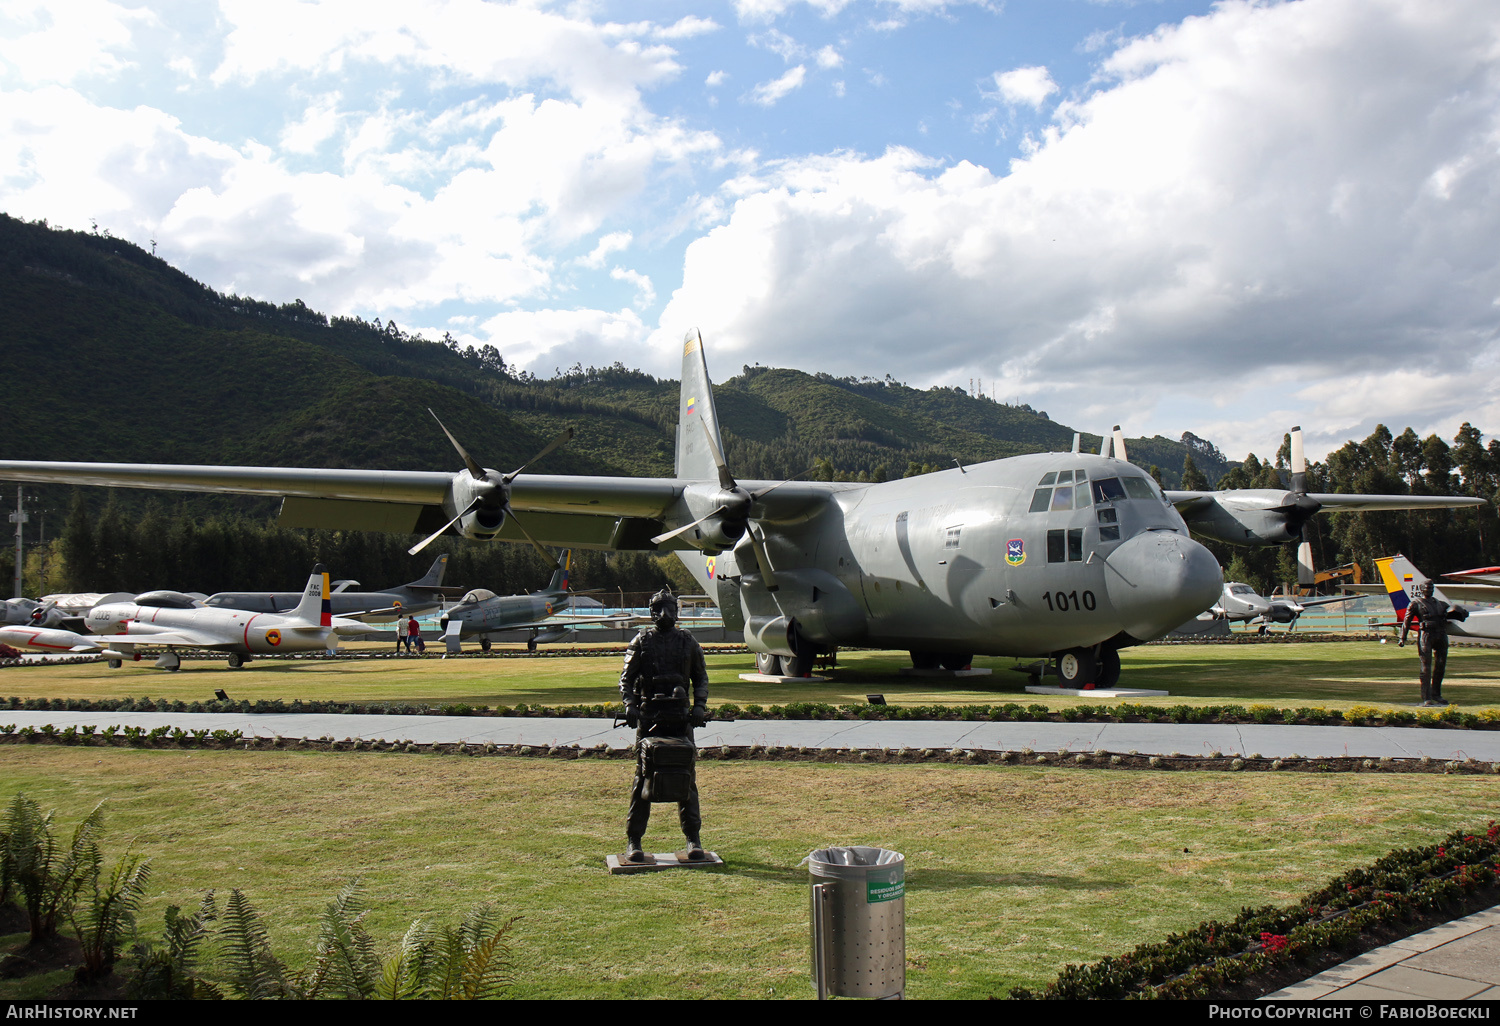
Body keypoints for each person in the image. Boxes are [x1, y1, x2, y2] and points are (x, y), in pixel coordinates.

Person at [618, 589, 709, 864]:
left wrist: (699, 707)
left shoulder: (688, 641)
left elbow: (701, 677)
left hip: (680, 719)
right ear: (651, 613)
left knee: (687, 779)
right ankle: (634, 840)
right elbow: (626, 679)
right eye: (659, 609)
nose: (664, 614)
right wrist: (630, 706)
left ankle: (693, 838)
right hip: (650, 718)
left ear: (676, 610)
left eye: (669, 607)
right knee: (642, 779)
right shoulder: (641, 641)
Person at [1398, 581, 1469, 707]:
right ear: (1421, 589)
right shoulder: (1415, 604)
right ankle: (1426, 697)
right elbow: (1406, 621)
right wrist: (1402, 637)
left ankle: (1437, 694)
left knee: (1441, 666)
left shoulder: (1441, 604)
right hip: (1426, 635)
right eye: (1427, 588)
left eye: (1431, 587)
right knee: (1426, 667)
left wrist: (1463, 613)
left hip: (1441, 634)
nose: (1430, 589)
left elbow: (1456, 614)